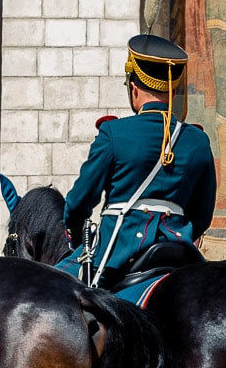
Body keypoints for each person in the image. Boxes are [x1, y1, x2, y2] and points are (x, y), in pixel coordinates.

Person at [57, 36, 215, 288]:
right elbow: (203, 214)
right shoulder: (198, 141)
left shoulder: (114, 133)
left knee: (52, 285)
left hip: (119, 248)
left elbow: (79, 203)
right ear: (172, 89)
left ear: (134, 88)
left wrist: (78, 237)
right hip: (178, 248)